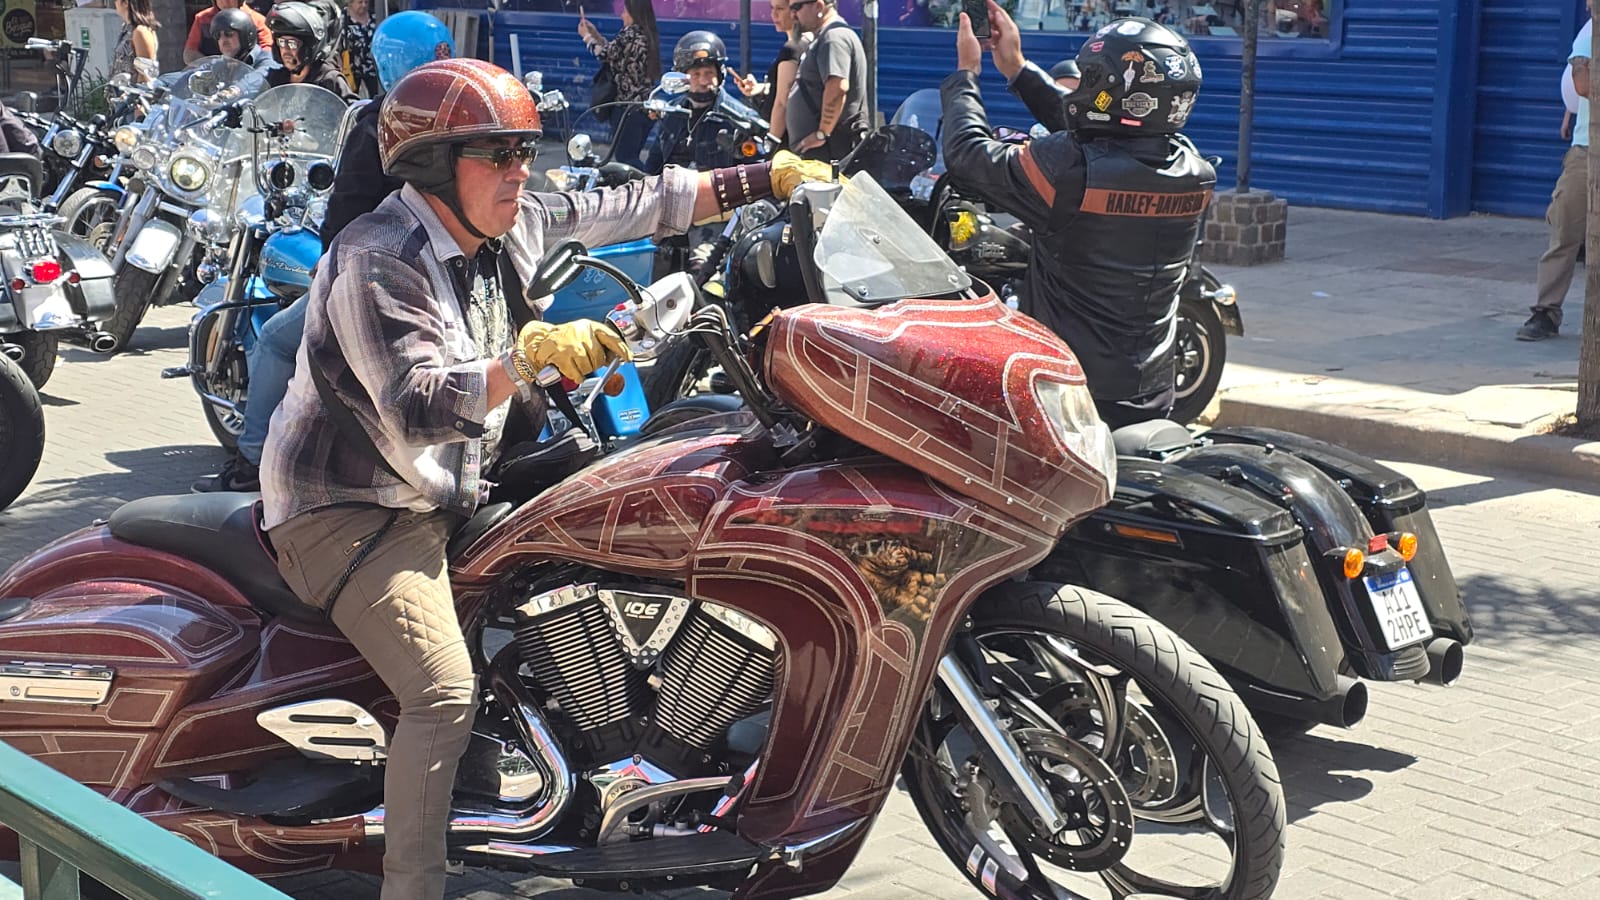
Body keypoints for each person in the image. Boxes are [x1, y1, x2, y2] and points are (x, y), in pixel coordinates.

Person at [257, 59, 828, 900]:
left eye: (525, 150)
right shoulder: (377, 256)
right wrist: (520, 359)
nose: (521, 171)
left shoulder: (500, 227)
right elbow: (415, 406)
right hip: (355, 509)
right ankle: (411, 887)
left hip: (451, 484)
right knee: (444, 693)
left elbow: (638, 203)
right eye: (497, 154)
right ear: (434, 164)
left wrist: (764, 177)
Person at [193, 10, 453, 493]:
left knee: (274, 337)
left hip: (382, 277)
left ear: (385, 60)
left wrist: (329, 265)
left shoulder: (381, 121)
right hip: (451, 273)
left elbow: (348, 209)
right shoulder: (458, 118)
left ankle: (249, 465)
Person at [941, 3, 1214, 428]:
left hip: (1070, 394)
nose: (1084, 89)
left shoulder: (1069, 169)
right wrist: (1017, 68)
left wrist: (965, 75)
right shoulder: (1191, 168)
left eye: (1090, 78)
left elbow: (967, 155)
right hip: (1151, 391)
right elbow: (1099, 124)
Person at [1525, 2, 1593, 341]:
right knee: (1564, 231)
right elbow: (1581, 83)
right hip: (1586, 151)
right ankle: (1545, 313)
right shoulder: (1591, 31)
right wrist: (1570, 113)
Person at [646, 30, 765, 172]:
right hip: (673, 191)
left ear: (720, 75)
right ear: (684, 78)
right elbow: (654, 163)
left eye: (709, 73)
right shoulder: (672, 112)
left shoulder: (741, 119)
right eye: (696, 74)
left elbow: (756, 172)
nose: (703, 81)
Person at [579, 0, 661, 166]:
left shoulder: (629, 34)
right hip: (645, 107)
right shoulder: (645, 35)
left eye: (625, 10)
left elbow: (604, 55)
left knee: (626, 158)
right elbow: (615, 53)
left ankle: (643, 186)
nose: (621, 14)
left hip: (627, 108)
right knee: (632, 154)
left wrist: (587, 37)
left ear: (633, 12)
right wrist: (596, 35)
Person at [786, 0, 869, 161]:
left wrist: (822, 133)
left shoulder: (833, 38)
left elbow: (837, 87)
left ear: (818, 6)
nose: (792, 14)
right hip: (825, 148)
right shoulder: (825, 36)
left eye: (797, 7)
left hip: (830, 149)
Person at [733, 0, 810, 146]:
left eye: (780, 9)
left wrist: (769, 144)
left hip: (786, 141)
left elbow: (783, 102)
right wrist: (760, 88)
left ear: (796, 10)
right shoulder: (809, 43)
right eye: (772, 8)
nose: (774, 14)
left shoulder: (793, 49)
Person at [266, 0, 358, 98]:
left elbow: (352, 110)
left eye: (292, 44)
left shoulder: (329, 80)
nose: (286, 49)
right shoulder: (277, 79)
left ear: (307, 47)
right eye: (282, 42)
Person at [185, 0, 272, 64]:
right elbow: (189, 53)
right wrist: (212, 66)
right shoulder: (202, 19)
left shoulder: (258, 21)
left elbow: (267, 52)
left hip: (247, 75)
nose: (225, 2)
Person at [340, 0, 381, 98]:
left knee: (376, 96)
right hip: (351, 68)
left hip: (372, 67)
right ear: (350, 3)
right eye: (360, 2)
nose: (363, 5)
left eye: (366, 2)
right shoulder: (343, 19)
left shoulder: (375, 17)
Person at [111, 0, 159, 84]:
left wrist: (132, 96)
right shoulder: (127, 29)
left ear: (126, 2)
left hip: (133, 94)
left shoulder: (140, 32)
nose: (114, 3)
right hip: (120, 93)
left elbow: (145, 75)